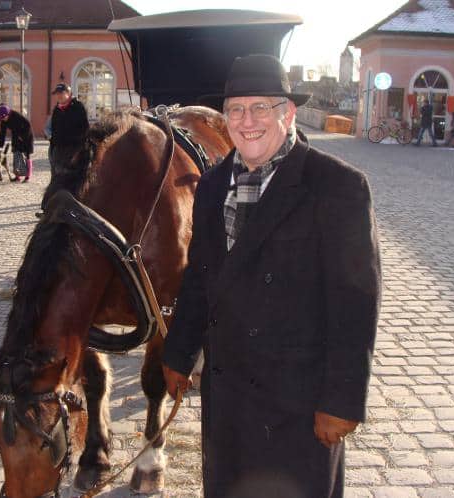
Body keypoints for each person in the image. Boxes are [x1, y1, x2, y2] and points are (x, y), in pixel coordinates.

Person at [162, 54, 381, 498]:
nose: (247, 121)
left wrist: (341, 400)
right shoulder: (212, 185)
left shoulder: (336, 186)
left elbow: (355, 301)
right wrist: (178, 352)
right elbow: (201, 276)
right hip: (228, 394)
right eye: (236, 109)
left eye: (261, 107)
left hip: (298, 402)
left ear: (289, 113)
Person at [40, 83, 89, 212]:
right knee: (56, 176)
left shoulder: (78, 107)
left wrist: (79, 148)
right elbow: (54, 129)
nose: (59, 97)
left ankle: (73, 205)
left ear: (68, 94)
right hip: (58, 148)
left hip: (74, 148)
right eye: (57, 94)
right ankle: (49, 207)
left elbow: (84, 128)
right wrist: (52, 140)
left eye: (61, 94)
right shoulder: (57, 109)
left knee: (71, 177)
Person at [0, 104, 34, 182]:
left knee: (26, 155)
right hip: (16, 136)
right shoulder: (4, 120)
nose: (2, 120)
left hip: (26, 136)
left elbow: (28, 126)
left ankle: (27, 176)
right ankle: (17, 176)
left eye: (3, 118)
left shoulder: (17, 117)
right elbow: (2, 133)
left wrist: (23, 137)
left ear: (7, 114)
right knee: (16, 154)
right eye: (1, 118)